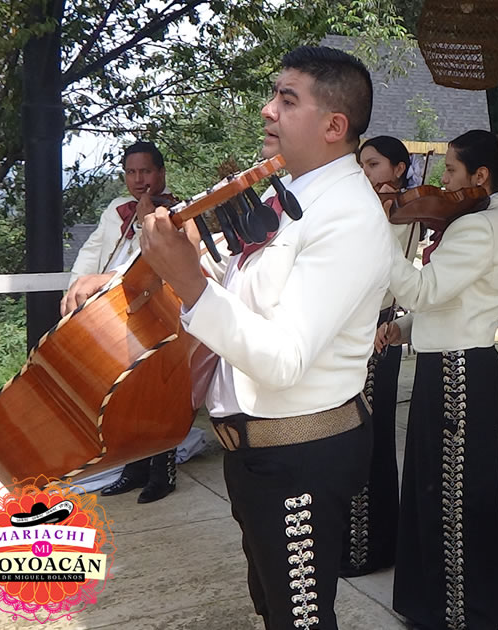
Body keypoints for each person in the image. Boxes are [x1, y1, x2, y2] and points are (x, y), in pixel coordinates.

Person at [138, 46, 392, 630]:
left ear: (334, 126)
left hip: (300, 455)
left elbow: (283, 360)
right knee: (272, 608)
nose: (266, 110)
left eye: (287, 98)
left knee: (300, 620)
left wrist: (187, 280)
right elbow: (238, 293)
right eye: (274, 94)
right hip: (256, 450)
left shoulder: (349, 215)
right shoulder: (287, 197)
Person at [375, 129, 498, 630]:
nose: (444, 182)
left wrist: (378, 236)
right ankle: (431, 604)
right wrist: (405, 328)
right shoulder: (485, 217)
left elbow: (421, 289)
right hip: (451, 362)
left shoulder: (479, 227)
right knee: (432, 488)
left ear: (481, 176)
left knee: (453, 497)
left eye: (452, 171)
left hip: (459, 370)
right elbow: (456, 299)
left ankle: (458, 614)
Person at [65, 140, 179, 503]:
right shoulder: (115, 209)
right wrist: (73, 293)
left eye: (145, 171)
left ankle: (163, 473)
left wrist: (147, 216)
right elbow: (92, 252)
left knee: (158, 394)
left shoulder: (174, 211)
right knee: (126, 394)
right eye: (131, 172)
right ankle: (133, 468)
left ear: (160, 173)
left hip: (154, 311)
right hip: (112, 312)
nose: (138, 178)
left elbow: (146, 261)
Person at [339, 135, 417, 577]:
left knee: (371, 438)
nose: (366, 175)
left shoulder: (402, 214)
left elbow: (387, 269)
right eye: (362, 166)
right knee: (354, 439)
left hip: (377, 331)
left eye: (373, 166)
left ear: (399, 169)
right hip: (353, 332)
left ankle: (370, 546)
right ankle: (361, 542)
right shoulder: (370, 209)